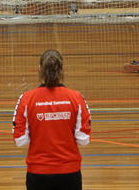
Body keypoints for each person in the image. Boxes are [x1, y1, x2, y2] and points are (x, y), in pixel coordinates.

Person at [12, 50, 91, 190]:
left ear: (40, 69)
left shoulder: (26, 99)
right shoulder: (76, 98)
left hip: (38, 174)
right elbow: (83, 138)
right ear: (62, 70)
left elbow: (20, 140)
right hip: (69, 173)